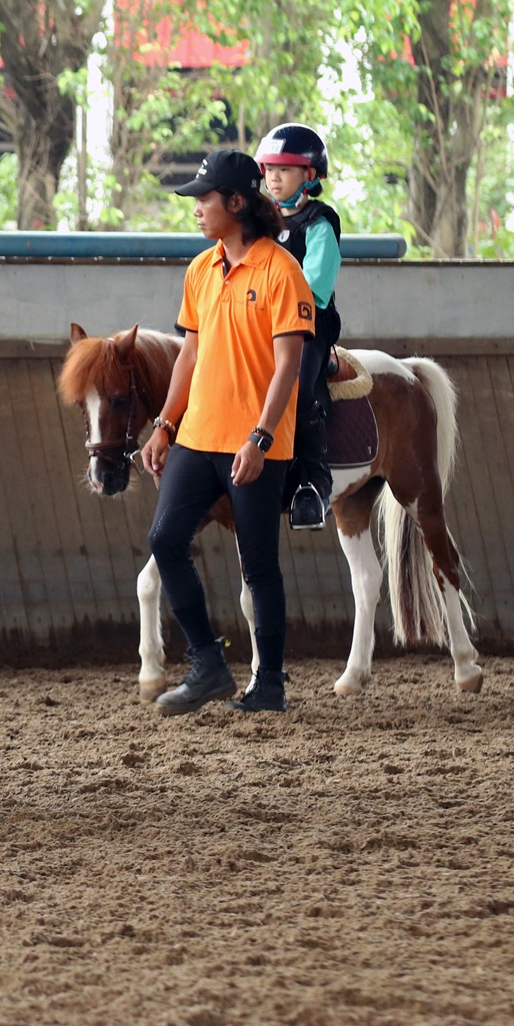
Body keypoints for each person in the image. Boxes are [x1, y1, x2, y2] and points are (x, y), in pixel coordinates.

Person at [140, 151, 314, 715]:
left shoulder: (279, 270)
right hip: (197, 435)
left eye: (204, 198)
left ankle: (269, 686)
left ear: (235, 203)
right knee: (165, 540)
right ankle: (208, 663)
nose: (195, 208)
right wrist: (166, 423)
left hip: (254, 444)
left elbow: (288, 363)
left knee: (257, 564)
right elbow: (189, 353)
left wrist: (261, 439)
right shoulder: (200, 269)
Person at [256, 124, 342, 531]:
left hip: (306, 327)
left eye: (285, 170)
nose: (274, 177)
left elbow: (313, 289)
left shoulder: (319, 225)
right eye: (269, 168)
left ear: (309, 175)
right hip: (262, 325)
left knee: (300, 387)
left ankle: (313, 485)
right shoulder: (259, 225)